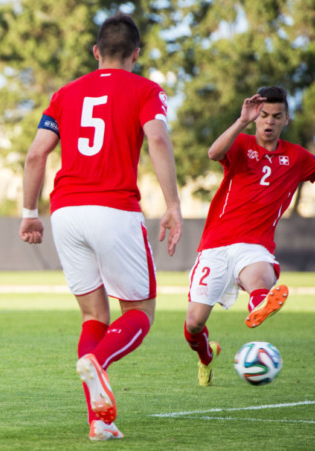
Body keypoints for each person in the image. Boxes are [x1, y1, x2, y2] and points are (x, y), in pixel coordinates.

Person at [18, 13, 182, 441]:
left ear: (96, 52)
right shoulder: (147, 89)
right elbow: (159, 140)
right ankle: (99, 362)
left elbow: (36, 155)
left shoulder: (65, 94)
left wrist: (28, 212)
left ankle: (101, 421)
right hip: (114, 210)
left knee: (93, 315)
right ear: (136, 54)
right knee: (140, 314)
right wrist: (174, 205)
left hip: (66, 214)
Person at [184, 86, 315, 386]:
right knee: (193, 323)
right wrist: (241, 120)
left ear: (286, 119)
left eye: (276, 116)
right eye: (263, 115)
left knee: (259, 275)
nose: (269, 121)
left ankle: (259, 303)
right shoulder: (241, 144)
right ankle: (206, 356)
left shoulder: (297, 157)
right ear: (256, 117)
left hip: (255, 245)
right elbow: (213, 153)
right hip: (216, 245)